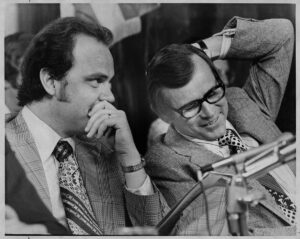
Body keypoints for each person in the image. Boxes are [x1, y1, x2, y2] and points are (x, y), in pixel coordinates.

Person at [5, 17, 168, 235]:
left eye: (109, 82)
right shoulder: (6, 147)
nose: (109, 96)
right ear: (51, 81)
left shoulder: (103, 152)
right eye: (96, 81)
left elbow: (161, 230)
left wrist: (130, 157)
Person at [145, 16, 295, 236]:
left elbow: (281, 34)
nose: (209, 112)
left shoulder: (241, 102)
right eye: (191, 107)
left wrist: (199, 51)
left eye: (212, 93)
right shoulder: (167, 164)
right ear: (164, 115)